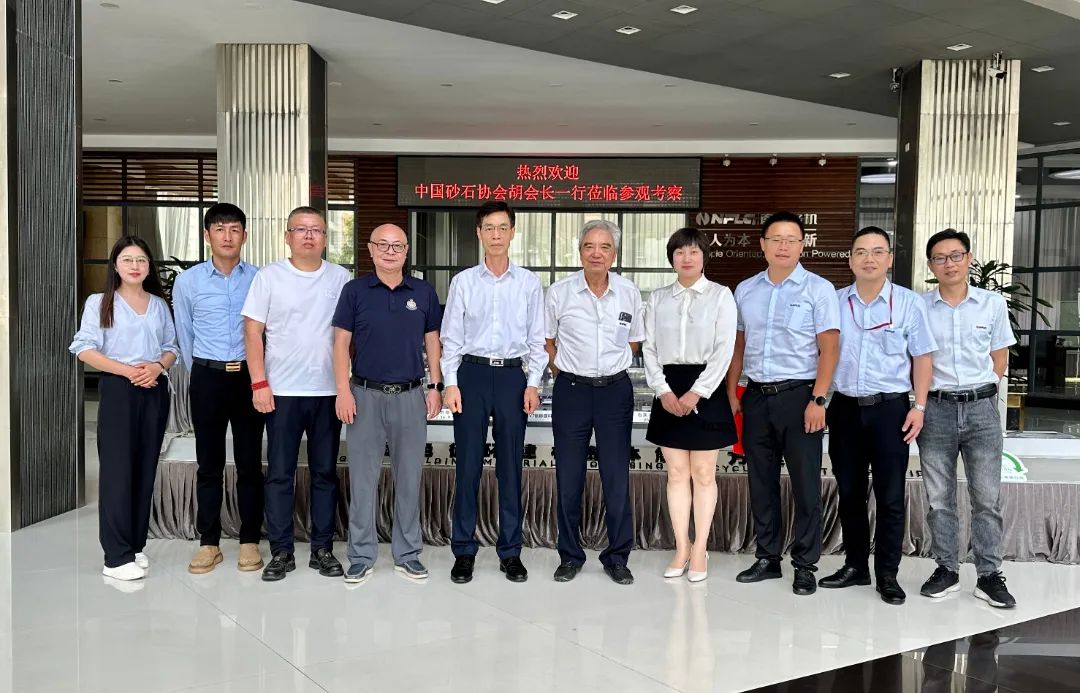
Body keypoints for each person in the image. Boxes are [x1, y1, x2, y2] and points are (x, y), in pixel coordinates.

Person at [819, 227, 936, 604]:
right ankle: (855, 566)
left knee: (890, 495)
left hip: (891, 409)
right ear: (850, 259)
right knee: (849, 492)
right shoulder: (833, 302)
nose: (869, 258)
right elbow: (820, 354)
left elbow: (922, 357)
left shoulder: (908, 303)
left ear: (889, 258)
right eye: (861, 251)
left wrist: (919, 407)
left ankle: (887, 573)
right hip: (845, 408)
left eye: (878, 251)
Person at [726, 211, 840, 596]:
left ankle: (805, 564)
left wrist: (819, 399)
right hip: (756, 396)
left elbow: (829, 349)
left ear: (803, 244)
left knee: (806, 485)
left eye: (792, 239)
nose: (784, 246)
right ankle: (767, 557)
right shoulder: (745, 290)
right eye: (776, 239)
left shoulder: (818, 289)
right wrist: (732, 392)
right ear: (763, 244)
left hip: (801, 397)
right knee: (761, 483)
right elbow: (739, 346)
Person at [242, 206, 352, 582]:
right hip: (282, 392)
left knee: (325, 473)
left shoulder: (341, 278)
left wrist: (344, 388)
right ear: (287, 236)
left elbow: (349, 337)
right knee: (280, 475)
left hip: (327, 393)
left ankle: (322, 548)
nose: (309, 235)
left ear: (325, 237)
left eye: (317, 230)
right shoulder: (269, 277)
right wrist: (259, 383)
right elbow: (253, 332)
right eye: (300, 229)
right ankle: (281, 551)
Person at [441, 202, 547, 584]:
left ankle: (510, 551)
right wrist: (450, 382)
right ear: (479, 233)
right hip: (470, 374)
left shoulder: (529, 283)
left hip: (512, 379)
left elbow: (537, 340)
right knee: (467, 466)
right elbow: (450, 337)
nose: (497, 234)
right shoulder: (464, 282)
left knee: (510, 469)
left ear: (513, 232)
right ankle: (464, 550)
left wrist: (533, 382)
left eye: (504, 227)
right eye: (490, 228)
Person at [333, 223, 444, 584]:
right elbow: (339, 344)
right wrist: (343, 390)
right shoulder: (355, 291)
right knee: (363, 480)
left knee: (409, 479)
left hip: (411, 396)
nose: (390, 251)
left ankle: (408, 554)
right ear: (370, 249)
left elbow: (432, 343)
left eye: (397, 246)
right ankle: (361, 555)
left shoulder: (423, 292)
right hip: (364, 395)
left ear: (407, 251)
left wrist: (435, 386)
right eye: (383, 245)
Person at [69, 236, 178, 581]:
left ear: (149, 266)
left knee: (145, 467)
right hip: (119, 388)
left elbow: (171, 347)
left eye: (142, 260)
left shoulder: (158, 305)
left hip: (154, 388)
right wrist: (130, 371)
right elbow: (84, 348)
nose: (135, 266)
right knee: (117, 471)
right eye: (128, 259)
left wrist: (157, 367)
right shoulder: (100, 302)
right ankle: (115, 557)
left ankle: (134, 545)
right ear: (115, 265)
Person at [918, 229, 1017, 608]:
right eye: (940, 258)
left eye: (955, 255)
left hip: (981, 409)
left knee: (986, 498)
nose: (949, 263)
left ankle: (990, 574)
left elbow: (1000, 360)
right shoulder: (920, 307)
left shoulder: (992, 304)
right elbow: (919, 361)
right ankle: (946, 569)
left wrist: (979, 395)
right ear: (931, 265)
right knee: (940, 498)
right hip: (937, 410)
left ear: (969, 258)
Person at [545, 219, 644, 585]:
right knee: (568, 476)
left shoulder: (629, 292)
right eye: (590, 246)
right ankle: (570, 555)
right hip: (571, 391)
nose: (596, 252)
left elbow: (634, 342)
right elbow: (547, 340)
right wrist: (564, 372)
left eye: (604, 247)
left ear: (614, 254)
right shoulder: (560, 292)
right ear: (580, 251)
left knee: (616, 476)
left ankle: (617, 556)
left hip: (614, 392)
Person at [173, 203, 265, 574]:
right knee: (208, 464)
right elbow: (184, 334)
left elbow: (266, 334)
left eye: (235, 229)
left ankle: (249, 540)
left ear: (244, 235)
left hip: (248, 378)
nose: (228, 236)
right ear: (207, 235)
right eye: (220, 229)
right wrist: (199, 373)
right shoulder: (188, 281)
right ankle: (209, 542)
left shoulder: (260, 278)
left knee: (249, 464)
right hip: (207, 377)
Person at [643, 227, 738, 583]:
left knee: (703, 473)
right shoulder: (658, 298)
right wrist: (662, 390)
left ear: (703, 257)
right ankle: (682, 546)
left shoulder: (720, 295)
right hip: (667, 386)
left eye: (693, 252)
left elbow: (724, 349)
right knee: (677, 473)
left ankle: (701, 549)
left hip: (706, 390)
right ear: (672, 258)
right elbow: (649, 348)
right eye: (680, 252)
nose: (686, 258)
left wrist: (697, 392)